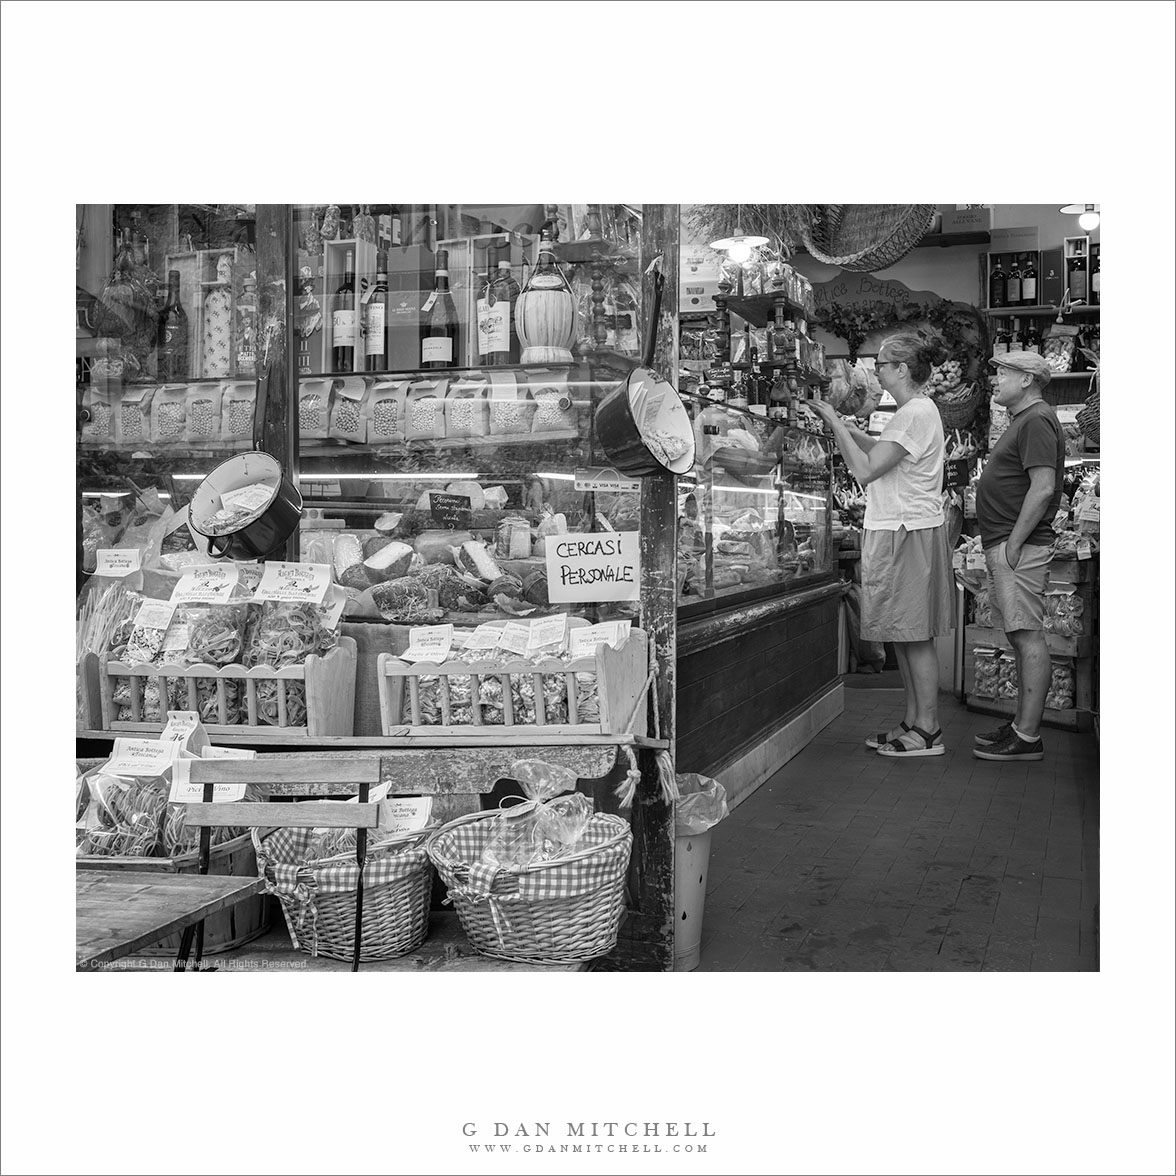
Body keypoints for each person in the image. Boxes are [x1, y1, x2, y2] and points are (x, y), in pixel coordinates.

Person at [811, 333, 955, 757]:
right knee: (904, 633)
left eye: (882, 363)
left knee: (915, 634)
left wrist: (836, 424)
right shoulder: (914, 412)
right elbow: (889, 456)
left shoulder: (913, 413)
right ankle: (914, 721)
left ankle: (928, 729)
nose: (876, 370)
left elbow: (866, 472)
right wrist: (856, 431)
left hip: (906, 530)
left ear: (902, 370)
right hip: (901, 527)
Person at [972, 351, 1065, 762]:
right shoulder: (1025, 421)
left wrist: (1013, 543)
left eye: (1003, 373)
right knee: (1018, 633)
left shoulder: (1036, 419)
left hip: (1019, 546)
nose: (996, 381)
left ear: (1027, 379)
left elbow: (1043, 487)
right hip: (1011, 543)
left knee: (1027, 635)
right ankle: (1019, 726)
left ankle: (1027, 736)